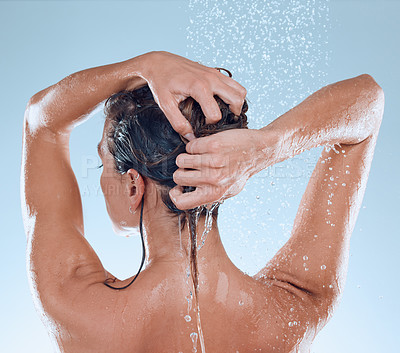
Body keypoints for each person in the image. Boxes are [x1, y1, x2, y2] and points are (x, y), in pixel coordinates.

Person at [21, 51, 384, 353]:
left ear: (134, 187)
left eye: (104, 163)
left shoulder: (74, 303)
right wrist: (268, 145)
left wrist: (143, 65)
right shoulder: (293, 305)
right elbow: (368, 102)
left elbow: (42, 121)